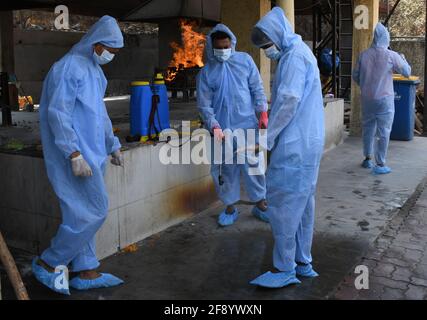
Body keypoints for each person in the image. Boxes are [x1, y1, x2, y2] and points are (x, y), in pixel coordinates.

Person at [33, 16, 125, 295]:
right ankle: (49, 263)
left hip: (93, 152)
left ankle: (86, 270)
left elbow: (101, 114)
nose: (111, 56)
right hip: (73, 154)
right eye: (109, 49)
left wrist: (112, 144)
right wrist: (72, 152)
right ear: (95, 44)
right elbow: (57, 114)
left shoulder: (95, 71)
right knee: (94, 211)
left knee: (81, 213)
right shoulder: (68, 67)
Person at [250, 7, 325, 288]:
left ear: (279, 37)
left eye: (268, 45)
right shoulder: (301, 53)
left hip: (294, 144)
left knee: (283, 205)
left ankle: (284, 269)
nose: (268, 51)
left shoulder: (293, 57)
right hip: (308, 142)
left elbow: (288, 101)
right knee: (304, 204)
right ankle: (303, 262)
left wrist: (266, 139)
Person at [197, 24, 269, 227]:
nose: (223, 51)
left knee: (254, 166)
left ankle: (261, 204)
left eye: (226, 47)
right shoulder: (206, 73)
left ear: (232, 44)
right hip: (222, 129)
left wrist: (262, 112)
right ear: (212, 47)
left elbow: (257, 88)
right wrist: (214, 125)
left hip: (247, 124)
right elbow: (204, 104)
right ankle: (230, 207)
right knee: (224, 169)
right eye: (219, 48)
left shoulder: (245, 61)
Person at [353, 23, 411, 174]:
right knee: (384, 131)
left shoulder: (363, 55)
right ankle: (380, 164)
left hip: (367, 99)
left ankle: (367, 158)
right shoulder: (392, 55)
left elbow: (355, 76)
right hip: (384, 100)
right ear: (387, 38)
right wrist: (403, 59)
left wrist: (366, 86)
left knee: (368, 129)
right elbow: (406, 72)